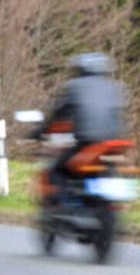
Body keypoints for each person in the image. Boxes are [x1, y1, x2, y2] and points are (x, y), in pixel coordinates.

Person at [31, 52, 126, 204]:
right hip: (111, 146)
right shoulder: (115, 87)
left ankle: (61, 206)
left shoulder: (74, 86)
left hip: (85, 143)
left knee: (56, 169)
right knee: (109, 170)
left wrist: (38, 132)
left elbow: (58, 113)